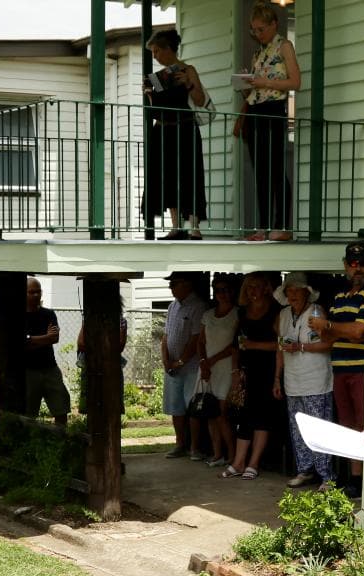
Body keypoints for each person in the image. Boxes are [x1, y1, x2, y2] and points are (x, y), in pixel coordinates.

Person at [308, 241, 364, 497]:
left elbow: (357, 332)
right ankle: (355, 480)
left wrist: (329, 326)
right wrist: (333, 329)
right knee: (348, 426)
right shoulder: (341, 297)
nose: (358, 269)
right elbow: (331, 337)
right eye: (353, 264)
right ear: (345, 266)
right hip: (341, 370)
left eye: (363, 264)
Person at [234, 2, 301, 242]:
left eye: (261, 29)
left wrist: (266, 83)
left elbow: (295, 82)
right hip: (255, 109)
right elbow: (257, 87)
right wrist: (247, 84)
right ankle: (262, 227)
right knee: (260, 170)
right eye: (254, 30)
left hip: (274, 109)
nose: (258, 34)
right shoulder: (258, 52)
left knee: (274, 167)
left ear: (274, 24)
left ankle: (281, 224)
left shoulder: (285, 46)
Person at [142, 29, 208, 240]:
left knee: (190, 175)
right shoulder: (158, 78)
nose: (155, 56)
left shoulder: (188, 69)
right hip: (163, 129)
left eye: (156, 51)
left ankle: (195, 228)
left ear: (168, 49)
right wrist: (150, 95)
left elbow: (200, 100)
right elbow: (155, 112)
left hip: (185, 128)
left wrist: (188, 84)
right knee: (168, 176)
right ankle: (176, 226)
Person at [272, 272, 334, 489]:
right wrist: (277, 379)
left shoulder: (316, 312)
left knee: (319, 426)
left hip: (316, 380)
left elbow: (327, 344)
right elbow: (279, 349)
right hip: (292, 380)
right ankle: (305, 470)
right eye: (289, 291)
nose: (292, 295)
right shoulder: (283, 315)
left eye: (296, 290)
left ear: (306, 292)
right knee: (297, 428)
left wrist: (300, 347)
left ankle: (326, 475)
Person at [220, 272, 280, 480]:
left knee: (262, 417)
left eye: (257, 286)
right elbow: (237, 344)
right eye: (249, 287)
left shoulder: (275, 311)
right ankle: (238, 462)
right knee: (244, 417)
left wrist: (255, 345)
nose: (252, 291)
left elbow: (282, 344)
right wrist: (235, 371)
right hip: (247, 371)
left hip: (268, 369)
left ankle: (253, 463)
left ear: (266, 288)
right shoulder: (243, 312)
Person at [161, 272, 206, 458]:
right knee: (175, 407)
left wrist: (180, 362)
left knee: (192, 407)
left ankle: (194, 447)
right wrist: (166, 361)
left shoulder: (198, 306)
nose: (170, 287)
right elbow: (165, 337)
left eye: (174, 283)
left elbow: (197, 339)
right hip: (172, 367)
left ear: (187, 284)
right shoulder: (172, 306)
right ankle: (180, 444)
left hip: (191, 367)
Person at [198, 275, 239, 467]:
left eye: (225, 289)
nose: (222, 294)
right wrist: (203, 362)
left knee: (221, 413)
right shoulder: (207, 315)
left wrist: (210, 361)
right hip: (207, 368)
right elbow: (200, 342)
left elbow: (234, 346)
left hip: (225, 367)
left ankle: (232, 454)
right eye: (218, 290)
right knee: (210, 411)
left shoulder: (237, 314)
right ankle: (217, 454)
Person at [25, 277, 70, 426]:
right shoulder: (19, 316)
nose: (36, 295)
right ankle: (31, 446)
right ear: (24, 293)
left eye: (38, 292)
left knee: (61, 410)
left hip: (50, 368)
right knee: (29, 414)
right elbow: (22, 345)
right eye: (32, 292)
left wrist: (31, 339)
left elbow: (54, 338)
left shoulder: (48, 314)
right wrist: (45, 338)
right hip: (29, 371)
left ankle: (60, 442)